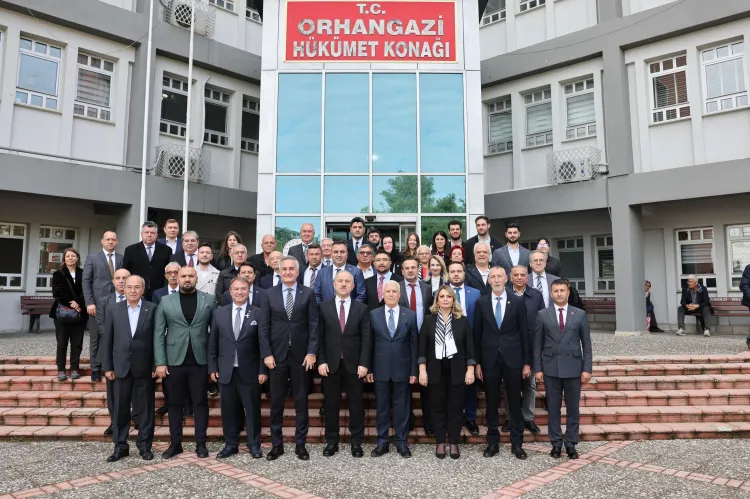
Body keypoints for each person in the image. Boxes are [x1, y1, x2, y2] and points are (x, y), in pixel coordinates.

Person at [259, 256, 319, 461]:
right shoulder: (269, 294)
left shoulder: (308, 293)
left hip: (301, 357)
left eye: (291, 269)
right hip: (276, 357)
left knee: (301, 402)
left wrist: (312, 352)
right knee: (276, 403)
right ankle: (277, 445)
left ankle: (300, 444)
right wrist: (267, 353)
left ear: (297, 271)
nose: (287, 272)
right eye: (284, 269)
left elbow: (314, 325)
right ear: (279, 271)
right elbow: (263, 327)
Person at [154, 266, 216, 459]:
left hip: (200, 361)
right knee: (174, 403)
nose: (187, 279)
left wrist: (213, 363)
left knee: (200, 402)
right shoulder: (165, 301)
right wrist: (160, 362)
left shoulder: (209, 300)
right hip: (173, 361)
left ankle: (201, 443)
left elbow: (215, 334)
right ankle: (175, 443)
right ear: (176, 278)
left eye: (190, 276)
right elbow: (158, 334)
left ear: (197, 278)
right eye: (183, 276)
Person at [208, 276, 268, 459]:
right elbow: (213, 343)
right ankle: (231, 444)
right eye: (236, 289)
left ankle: (254, 444)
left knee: (252, 410)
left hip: (250, 371)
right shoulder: (219, 313)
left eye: (243, 289)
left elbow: (263, 344)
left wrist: (263, 370)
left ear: (249, 291)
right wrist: (212, 367)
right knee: (228, 410)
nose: (239, 292)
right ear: (230, 292)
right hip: (226, 371)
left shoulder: (258, 313)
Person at [475, 266, 531, 460]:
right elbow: (477, 334)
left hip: (513, 359)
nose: (497, 280)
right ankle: (492, 442)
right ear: (489, 280)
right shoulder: (481, 303)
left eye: (500, 276)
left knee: (515, 402)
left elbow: (524, 333)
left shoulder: (517, 302)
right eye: (493, 277)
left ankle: (517, 444)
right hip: (489, 359)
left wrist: (527, 362)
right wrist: (477, 363)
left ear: (506, 279)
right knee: (491, 402)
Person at [534, 279, 593, 460]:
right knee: (553, 408)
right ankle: (556, 443)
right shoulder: (543, 315)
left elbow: (586, 344)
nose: (559, 294)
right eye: (556, 291)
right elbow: (537, 345)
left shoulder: (579, 314)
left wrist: (587, 368)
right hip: (551, 368)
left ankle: (571, 443)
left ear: (568, 292)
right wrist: (538, 368)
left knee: (573, 408)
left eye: (562, 290)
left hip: (573, 368)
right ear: (551, 294)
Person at [101, 275, 157, 462]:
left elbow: (157, 339)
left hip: (144, 367)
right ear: (123, 289)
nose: (133, 290)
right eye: (129, 287)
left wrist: (156, 364)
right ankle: (120, 446)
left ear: (143, 290)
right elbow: (107, 339)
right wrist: (107, 366)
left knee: (145, 409)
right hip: (120, 366)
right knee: (120, 409)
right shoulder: (113, 309)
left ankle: (145, 446)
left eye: (137, 287)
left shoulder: (152, 309)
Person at [318, 270, 371, 458]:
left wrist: (364, 363)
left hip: (354, 365)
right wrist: (321, 361)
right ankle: (331, 441)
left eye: (347, 281)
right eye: (339, 281)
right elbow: (318, 337)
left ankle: (356, 442)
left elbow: (366, 339)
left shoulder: (361, 308)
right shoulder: (323, 307)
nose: (343, 284)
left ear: (353, 286)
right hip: (330, 365)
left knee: (356, 405)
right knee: (331, 405)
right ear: (333, 284)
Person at [419, 286, 475, 460]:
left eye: (448, 297)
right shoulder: (428, 320)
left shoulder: (462, 321)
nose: (445, 299)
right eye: (441, 296)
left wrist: (470, 370)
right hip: (434, 369)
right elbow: (422, 348)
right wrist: (422, 370)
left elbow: (470, 348)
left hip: (457, 369)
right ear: (437, 300)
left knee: (455, 408)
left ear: (453, 300)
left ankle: (454, 442)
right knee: (437, 408)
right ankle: (440, 442)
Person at [368, 281, 418, 458]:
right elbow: (369, 344)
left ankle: (401, 442)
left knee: (401, 408)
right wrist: (369, 368)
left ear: (399, 294)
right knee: (382, 408)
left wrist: (413, 371)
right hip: (380, 369)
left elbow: (414, 345)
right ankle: (382, 443)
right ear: (383, 294)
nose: (390, 294)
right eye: (387, 291)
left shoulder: (409, 315)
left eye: (394, 291)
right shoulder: (373, 314)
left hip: (402, 369)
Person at [507, 265, 545, 434]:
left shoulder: (536, 295)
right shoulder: (504, 294)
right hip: (510, 346)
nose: (519, 277)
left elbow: (542, 321)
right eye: (516, 275)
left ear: (527, 277)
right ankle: (510, 418)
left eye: (522, 275)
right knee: (508, 384)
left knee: (529, 383)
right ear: (510, 277)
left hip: (531, 345)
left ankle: (528, 418)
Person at [399, 256, 434, 436]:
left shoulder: (427, 289)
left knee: (426, 383)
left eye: (413, 267)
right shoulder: (396, 288)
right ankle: (408, 420)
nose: (410, 270)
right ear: (402, 271)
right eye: (407, 268)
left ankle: (429, 422)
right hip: (403, 341)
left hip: (424, 340)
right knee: (405, 383)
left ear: (418, 269)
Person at [445, 262, 481, 435]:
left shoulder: (475, 293)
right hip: (447, 343)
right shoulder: (441, 293)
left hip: (471, 343)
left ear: (464, 274)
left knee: (470, 383)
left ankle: (471, 417)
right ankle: (453, 417)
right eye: (452, 271)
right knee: (450, 383)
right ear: (448, 274)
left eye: (459, 271)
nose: (456, 274)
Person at [95, 268, 131, 435]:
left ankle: (135, 418)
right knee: (113, 391)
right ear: (113, 281)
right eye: (118, 278)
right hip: (111, 350)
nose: (121, 281)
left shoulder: (139, 300)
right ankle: (115, 421)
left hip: (134, 352)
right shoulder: (104, 301)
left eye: (125, 278)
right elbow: (101, 325)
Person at [83, 230, 123, 382]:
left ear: (117, 241)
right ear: (102, 241)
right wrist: (89, 302)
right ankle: (95, 368)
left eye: (113, 239)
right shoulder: (93, 258)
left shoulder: (121, 258)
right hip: (97, 305)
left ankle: (112, 365)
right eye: (108, 239)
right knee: (96, 337)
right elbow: (86, 281)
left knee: (116, 336)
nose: (110, 242)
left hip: (117, 303)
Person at [50, 248, 88, 382]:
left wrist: (79, 303)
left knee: (77, 343)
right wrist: (72, 303)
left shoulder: (83, 273)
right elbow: (57, 293)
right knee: (62, 343)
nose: (70, 258)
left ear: (77, 258)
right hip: (62, 313)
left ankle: (74, 369)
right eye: (68, 256)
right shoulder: (58, 274)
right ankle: (61, 369)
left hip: (79, 314)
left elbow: (86, 290)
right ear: (64, 259)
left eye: (73, 256)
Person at [122, 221, 172, 299]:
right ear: (141, 234)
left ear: (157, 235)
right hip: (137, 291)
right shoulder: (130, 250)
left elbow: (169, 271)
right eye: (146, 232)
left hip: (160, 291)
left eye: (152, 233)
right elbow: (126, 271)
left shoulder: (166, 250)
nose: (149, 235)